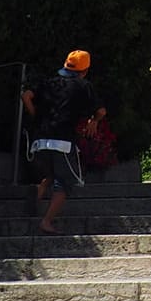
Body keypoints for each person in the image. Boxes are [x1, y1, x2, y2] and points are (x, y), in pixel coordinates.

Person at [20, 50, 105, 235]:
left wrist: (36, 116)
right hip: (62, 141)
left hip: (39, 141)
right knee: (64, 182)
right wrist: (94, 122)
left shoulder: (48, 82)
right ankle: (47, 221)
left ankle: (39, 191)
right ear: (85, 70)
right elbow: (101, 111)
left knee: (51, 174)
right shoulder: (84, 86)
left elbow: (26, 96)